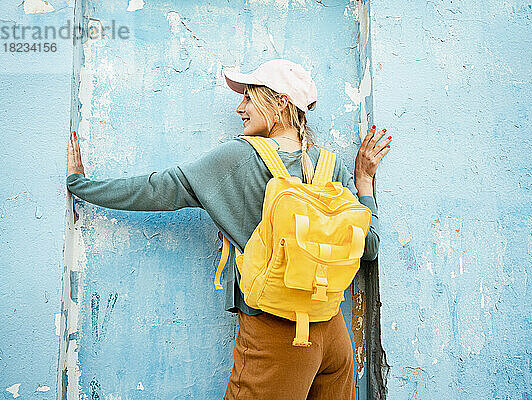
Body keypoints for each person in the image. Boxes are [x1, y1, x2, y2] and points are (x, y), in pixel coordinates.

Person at [67, 58, 392, 400]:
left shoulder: (239, 157)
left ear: (280, 102)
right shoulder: (332, 165)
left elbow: (157, 189)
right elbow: (369, 246)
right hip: (334, 334)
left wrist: (83, 185)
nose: (240, 108)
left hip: (278, 334)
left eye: (249, 98)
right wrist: (365, 182)